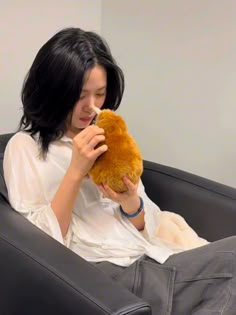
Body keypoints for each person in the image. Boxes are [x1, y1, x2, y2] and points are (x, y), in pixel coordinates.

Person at [3, 27, 236, 314]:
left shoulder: (106, 135)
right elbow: (39, 247)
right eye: (80, 96)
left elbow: (146, 223)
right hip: (108, 275)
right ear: (54, 91)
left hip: (151, 257)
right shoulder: (25, 147)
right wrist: (76, 171)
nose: (91, 107)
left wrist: (130, 201)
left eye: (100, 94)